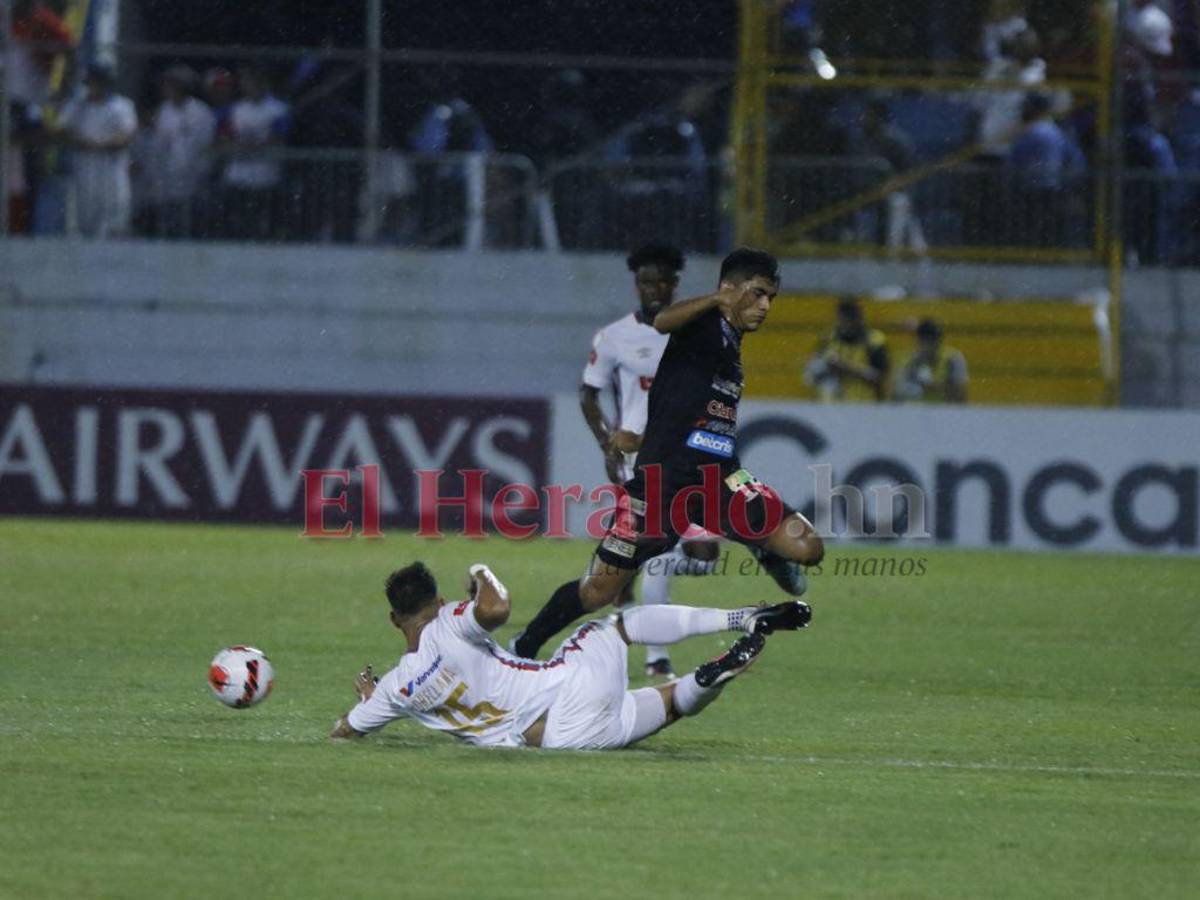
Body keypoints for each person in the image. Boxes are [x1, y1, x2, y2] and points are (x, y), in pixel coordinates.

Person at [510, 248, 824, 660]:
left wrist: (641, 438)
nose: (765, 306)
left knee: (809, 548)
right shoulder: (703, 324)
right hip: (659, 487)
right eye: (758, 294)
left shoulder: (732, 343)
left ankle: (763, 545)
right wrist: (716, 299)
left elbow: (683, 409)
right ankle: (523, 645)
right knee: (599, 590)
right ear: (730, 289)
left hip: (721, 480)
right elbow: (661, 321)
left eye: (771, 298)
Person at [330, 561, 812, 750]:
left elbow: (345, 732)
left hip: (559, 739)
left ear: (394, 619)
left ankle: (706, 680)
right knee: (620, 624)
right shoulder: (450, 620)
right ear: (435, 605)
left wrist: (373, 701)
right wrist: (480, 572)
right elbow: (497, 606)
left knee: (667, 708)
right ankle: (740, 620)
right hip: (568, 688)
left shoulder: (398, 687)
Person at [575, 244, 721, 679]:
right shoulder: (615, 337)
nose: (655, 288)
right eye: (647, 281)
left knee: (704, 553)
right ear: (636, 284)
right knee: (660, 550)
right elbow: (588, 393)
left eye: (663, 281)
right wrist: (606, 441)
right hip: (638, 463)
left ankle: (619, 580)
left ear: (675, 284)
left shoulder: (695, 330)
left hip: (688, 458)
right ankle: (658, 659)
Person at [56, 64, 137, 238]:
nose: (95, 86)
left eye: (99, 82)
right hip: (83, 166)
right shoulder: (78, 104)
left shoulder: (122, 105)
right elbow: (61, 129)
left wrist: (100, 145)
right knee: (83, 215)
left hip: (111, 166)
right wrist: (82, 141)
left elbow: (127, 134)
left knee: (115, 213)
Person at [219, 66, 290, 240]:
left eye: (253, 83)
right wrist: (239, 144)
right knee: (236, 223)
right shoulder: (235, 109)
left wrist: (252, 144)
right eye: (246, 83)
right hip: (237, 175)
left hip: (266, 176)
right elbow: (224, 136)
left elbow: (278, 137)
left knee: (264, 224)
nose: (249, 87)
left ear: (263, 84)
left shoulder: (278, 109)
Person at [148, 65, 216, 237]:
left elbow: (205, 146)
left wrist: (199, 171)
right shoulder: (164, 110)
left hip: (193, 176)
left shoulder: (201, 112)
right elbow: (159, 143)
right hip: (167, 175)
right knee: (167, 220)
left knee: (191, 221)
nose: (166, 89)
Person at [804, 296, 890, 402]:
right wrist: (825, 368)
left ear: (859, 318)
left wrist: (845, 368)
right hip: (831, 409)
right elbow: (810, 376)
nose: (846, 322)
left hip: (864, 409)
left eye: (850, 317)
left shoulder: (874, 341)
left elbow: (879, 379)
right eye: (843, 317)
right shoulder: (828, 339)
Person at [892, 318, 968, 404]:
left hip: (945, 412)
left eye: (935, 340)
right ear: (919, 341)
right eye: (926, 341)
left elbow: (959, 394)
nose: (932, 345)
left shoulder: (953, 358)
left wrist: (931, 388)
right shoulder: (909, 361)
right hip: (916, 412)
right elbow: (896, 395)